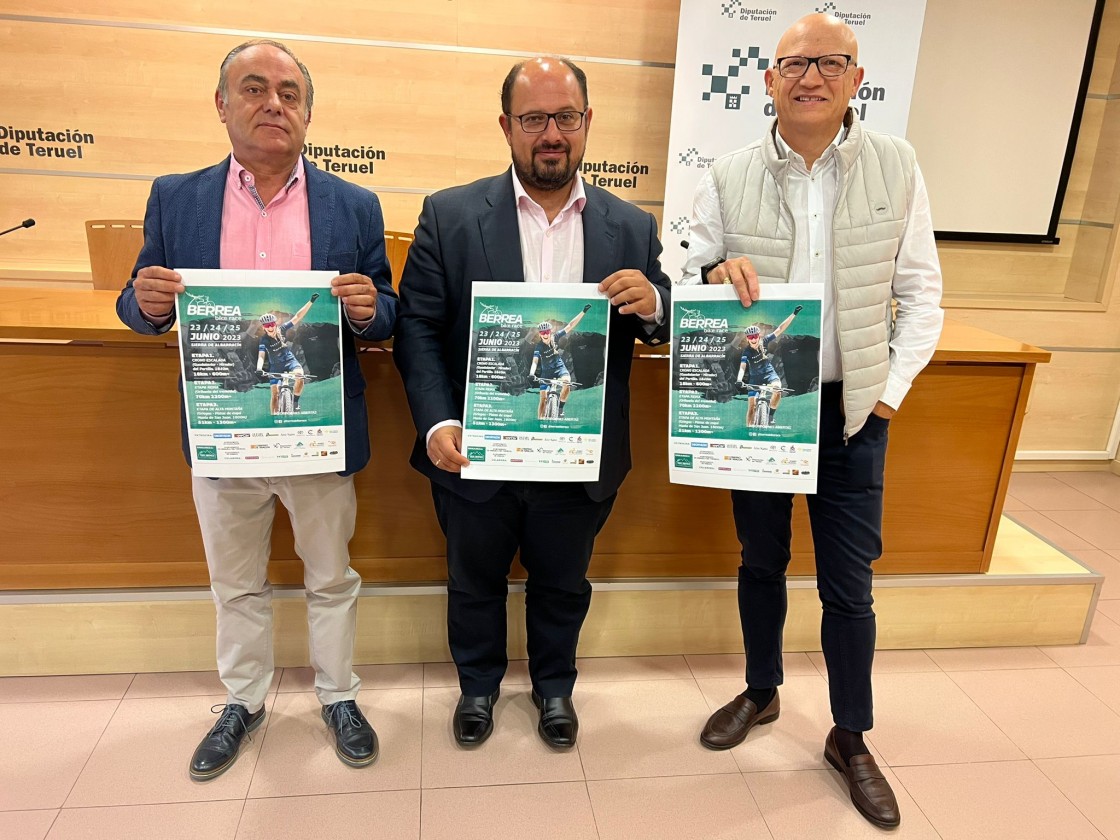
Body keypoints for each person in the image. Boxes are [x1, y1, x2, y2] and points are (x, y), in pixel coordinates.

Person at [682, 13, 944, 829]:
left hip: (854, 411)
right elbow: (679, 258)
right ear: (768, 79)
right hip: (762, 412)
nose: (811, 77)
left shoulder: (897, 166)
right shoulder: (726, 171)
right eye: (794, 63)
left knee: (849, 591)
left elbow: (924, 295)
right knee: (760, 560)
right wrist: (711, 265)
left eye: (831, 62)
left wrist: (887, 394)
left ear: (856, 79)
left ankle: (850, 735)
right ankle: (762, 691)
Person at [116, 39, 397, 780]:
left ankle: (338, 695)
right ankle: (242, 700)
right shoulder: (176, 197)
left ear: (307, 111)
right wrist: (142, 304)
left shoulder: (355, 204)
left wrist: (372, 310)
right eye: (254, 89)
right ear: (222, 104)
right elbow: (137, 298)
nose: (275, 104)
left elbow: (388, 309)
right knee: (234, 582)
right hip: (224, 430)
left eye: (290, 93)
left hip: (318, 433)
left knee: (330, 576)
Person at [394, 56, 671, 750]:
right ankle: (479, 687)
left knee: (562, 583)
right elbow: (418, 327)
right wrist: (436, 420)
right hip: (476, 452)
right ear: (507, 127)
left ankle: (554, 687)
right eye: (534, 119)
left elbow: (660, 320)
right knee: (473, 580)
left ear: (587, 123)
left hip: (579, 457)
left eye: (566, 117)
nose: (552, 133)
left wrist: (656, 304)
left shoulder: (631, 226)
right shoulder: (450, 215)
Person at [735, 306, 800, 426]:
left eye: (755, 336)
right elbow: (742, 367)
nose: (753, 339)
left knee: (777, 390)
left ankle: (770, 415)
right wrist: (739, 379)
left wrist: (794, 314)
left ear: (759, 336)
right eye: (750, 337)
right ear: (747, 339)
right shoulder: (746, 352)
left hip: (769, 374)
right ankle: (749, 430)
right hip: (755, 378)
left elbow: (780, 329)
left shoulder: (764, 341)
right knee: (751, 407)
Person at [257, 294, 317, 414]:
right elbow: (261, 355)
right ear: (264, 328)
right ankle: (274, 418)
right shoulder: (264, 340)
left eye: (272, 325)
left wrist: (310, 301)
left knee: (300, 377)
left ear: (275, 324)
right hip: (275, 366)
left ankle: (295, 402)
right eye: (267, 326)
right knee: (274, 394)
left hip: (290, 361)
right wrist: (259, 368)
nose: (270, 328)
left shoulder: (282, 329)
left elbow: (297, 317)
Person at [529, 303, 590, 418]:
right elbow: (535, 361)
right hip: (546, 372)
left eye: (547, 332)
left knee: (567, 383)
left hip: (559, 368)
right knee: (543, 399)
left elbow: (570, 325)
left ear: (550, 332)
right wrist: (532, 373)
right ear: (540, 334)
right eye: (543, 333)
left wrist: (583, 312)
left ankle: (560, 407)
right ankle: (540, 421)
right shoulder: (539, 347)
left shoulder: (555, 337)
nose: (545, 334)